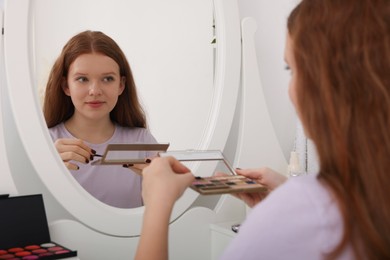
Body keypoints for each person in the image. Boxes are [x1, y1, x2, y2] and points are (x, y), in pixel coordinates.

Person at [135, 0, 390, 259]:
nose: (290, 89)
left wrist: (157, 205)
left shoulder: (301, 210)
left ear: (324, 83)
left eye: (291, 69)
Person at [43, 30, 158, 209]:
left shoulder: (142, 142)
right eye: (82, 79)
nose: (95, 91)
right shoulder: (46, 143)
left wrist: (163, 187)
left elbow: (162, 213)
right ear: (66, 86)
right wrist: (47, 169)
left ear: (121, 85)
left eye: (107, 79)